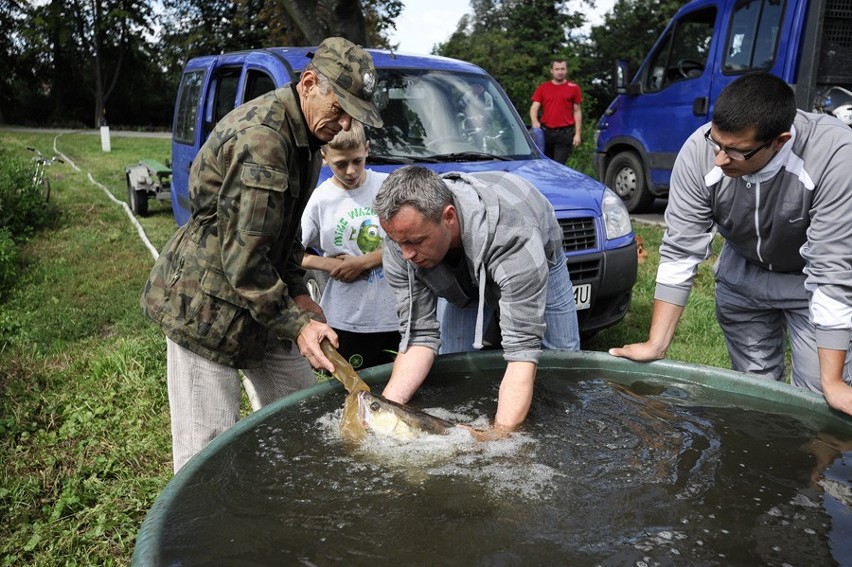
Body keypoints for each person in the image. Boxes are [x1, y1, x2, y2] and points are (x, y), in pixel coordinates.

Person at [140, 37, 384, 472]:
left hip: (265, 297)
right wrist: (298, 324)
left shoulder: (308, 134)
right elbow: (245, 259)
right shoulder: (264, 141)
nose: (345, 122)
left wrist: (299, 293)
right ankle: (202, 536)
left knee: (299, 417)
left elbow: (283, 231)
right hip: (205, 307)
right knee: (206, 454)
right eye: (340, 107)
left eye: (355, 115)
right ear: (309, 83)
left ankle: (287, 513)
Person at [609, 71, 852, 417]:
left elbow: (833, 265)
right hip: (743, 275)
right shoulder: (698, 151)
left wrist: (832, 383)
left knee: (816, 401)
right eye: (717, 143)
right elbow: (681, 250)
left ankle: (815, 471)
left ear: (779, 141)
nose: (720, 160)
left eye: (737, 152)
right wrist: (656, 343)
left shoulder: (836, 154)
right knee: (755, 396)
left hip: (810, 280)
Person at [373, 165, 581, 439]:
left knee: (560, 365)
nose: (406, 255)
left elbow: (522, 353)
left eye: (416, 241)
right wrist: (385, 410)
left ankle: (559, 435)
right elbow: (418, 336)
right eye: (397, 242)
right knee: (456, 370)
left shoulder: (513, 234)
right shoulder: (403, 241)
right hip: (457, 272)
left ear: (448, 217)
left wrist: (497, 437)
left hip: (532, 250)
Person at [300, 122, 399, 370]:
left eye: (357, 161)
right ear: (324, 157)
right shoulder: (321, 199)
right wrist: (327, 263)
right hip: (348, 321)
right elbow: (289, 255)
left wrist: (364, 262)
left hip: (397, 317)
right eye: (341, 164)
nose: (351, 171)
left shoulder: (389, 187)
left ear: (367, 149)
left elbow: (414, 244)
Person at [529, 59, 583, 164]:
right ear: (552, 71)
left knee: (559, 165)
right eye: (557, 69)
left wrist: (578, 134)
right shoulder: (543, 87)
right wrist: (534, 121)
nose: (560, 72)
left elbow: (577, 111)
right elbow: (534, 108)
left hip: (564, 133)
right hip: (546, 132)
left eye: (562, 69)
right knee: (545, 164)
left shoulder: (573, 88)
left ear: (566, 71)